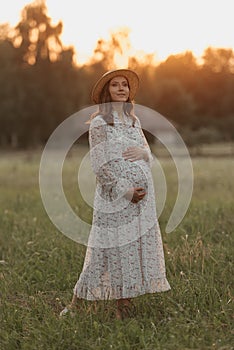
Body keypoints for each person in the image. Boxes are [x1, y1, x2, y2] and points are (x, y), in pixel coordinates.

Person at [60, 69, 171, 319]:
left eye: (124, 85)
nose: (121, 89)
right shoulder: (100, 123)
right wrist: (125, 190)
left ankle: (124, 307)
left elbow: (147, 153)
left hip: (141, 201)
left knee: (130, 248)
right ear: (106, 92)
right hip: (115, 199)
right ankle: (76, 304)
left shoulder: (134, 122)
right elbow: (100, 165)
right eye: (115, 85)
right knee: (105, 249)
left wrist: (144, 156)